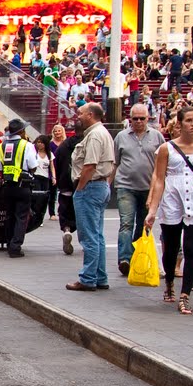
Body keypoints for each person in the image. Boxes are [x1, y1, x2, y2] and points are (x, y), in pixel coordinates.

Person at [143, 107, 193, 315]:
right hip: (172, 198)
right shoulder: (166, 148)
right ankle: (169, 280)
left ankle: (185, 295)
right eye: (189, 120)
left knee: (191, 248)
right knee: (170, 248)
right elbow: (159, 179)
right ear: (180, 123)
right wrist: (153, 209)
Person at [66, 103, 116, 291]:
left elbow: (90, 166)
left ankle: (88, 278)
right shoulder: (102, 133)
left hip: (90, 187)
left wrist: (80, 188)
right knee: (97, 235)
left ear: (90, 115)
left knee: (89, 237)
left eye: (80, 113)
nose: (77, 116)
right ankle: (100, 276)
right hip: (99, 186)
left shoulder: (95, 135)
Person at [114, 105, 166, 276]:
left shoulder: (157, 136)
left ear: (147, 118)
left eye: (142, 118)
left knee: (144, 224)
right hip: (125, 186)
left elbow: (163, 163)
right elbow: (115, 162)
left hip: (148, 188)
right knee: (126, 223)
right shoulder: (121, 137)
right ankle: (124, 259)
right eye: (135, 118)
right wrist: (109, 183)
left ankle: (138, 256)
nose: (138, 121)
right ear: (130, 119)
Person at [0, 119, 39, 257]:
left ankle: (9, 243)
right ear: (22, 131)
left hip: (7, 186)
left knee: (9, 216)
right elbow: (33, 166)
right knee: (21, 217)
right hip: (23, 185)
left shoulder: (0, 146)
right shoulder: (27, 145)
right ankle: (15, 246)